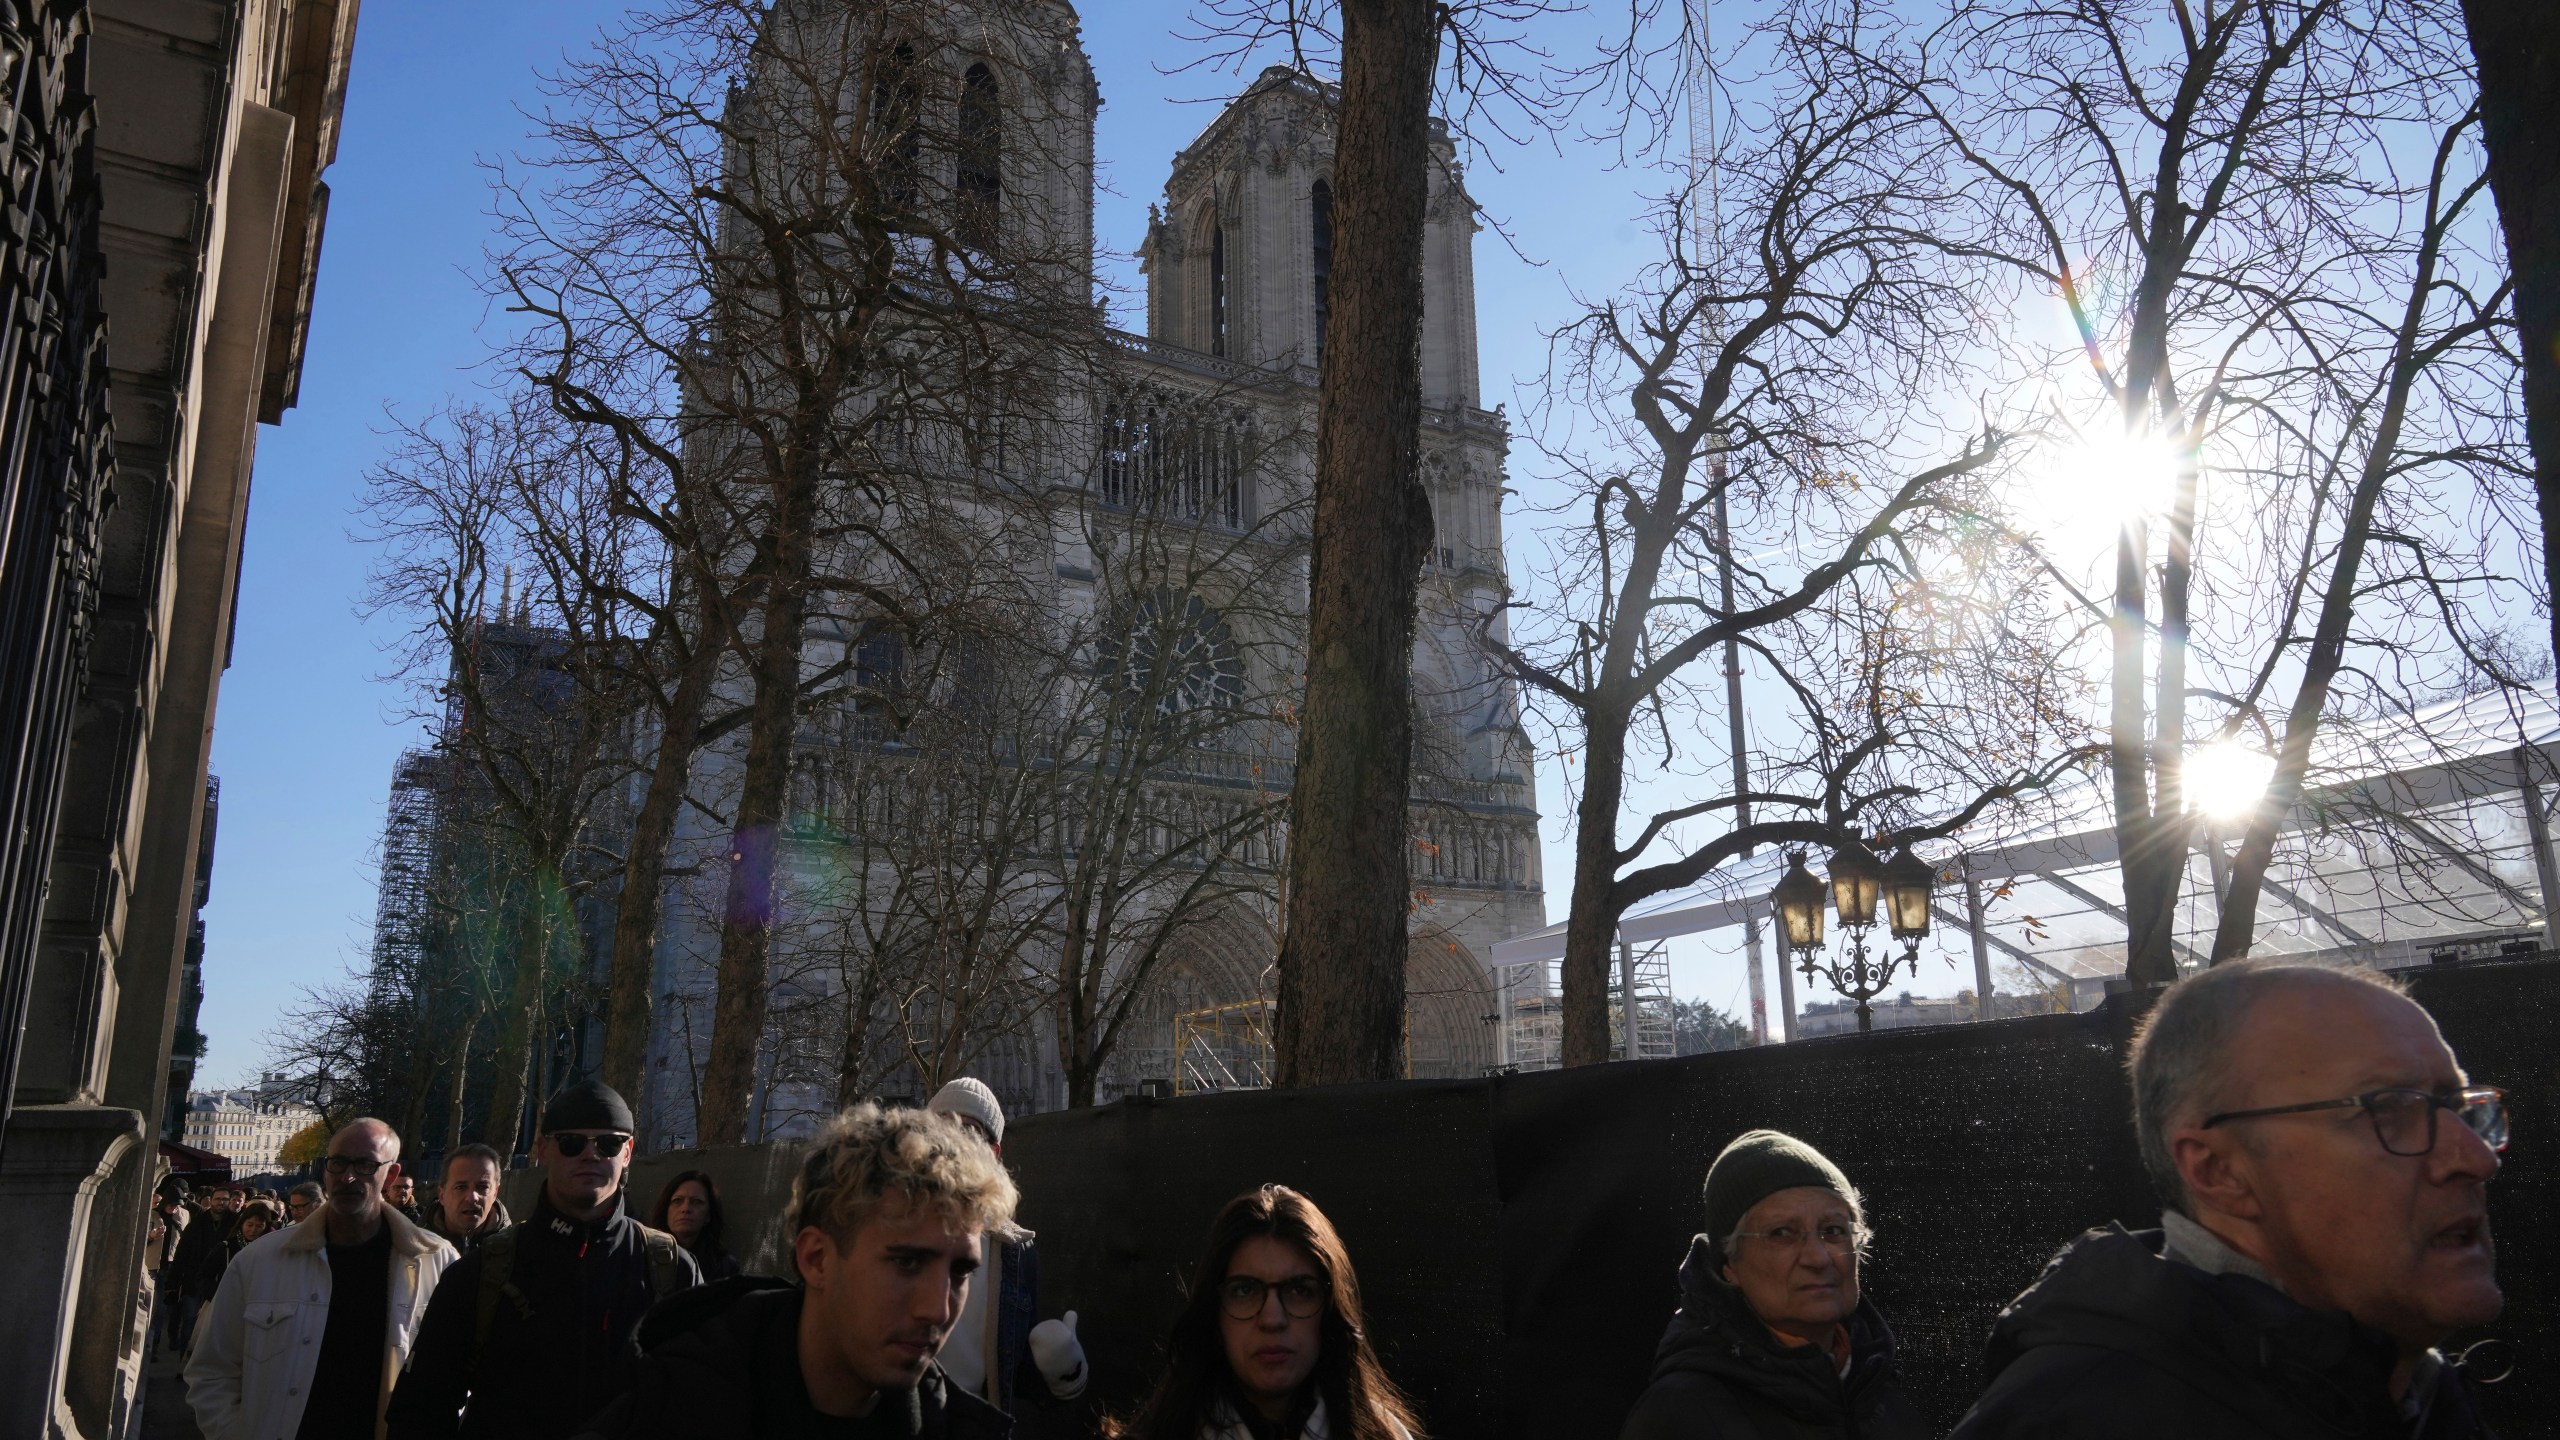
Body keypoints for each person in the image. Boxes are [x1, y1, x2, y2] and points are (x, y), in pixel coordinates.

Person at [1951, 962, 2504, 1438]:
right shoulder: (2077, 1421)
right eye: (2390, 1108)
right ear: (2219, 1171)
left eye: (2459, 1107)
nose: (2477, 1157)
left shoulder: (2408, 1391)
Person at [570, 1103, 1018, 1440]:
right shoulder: (664, 1410)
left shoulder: (967, 1428)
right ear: (816, 1258)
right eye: (906, 1262)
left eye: (960, 1272)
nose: (937, 1308)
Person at [389, 1077, 700, 1439]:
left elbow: (698, 1404)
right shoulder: (480, 1273)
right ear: (543, 1149)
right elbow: (421, 1410)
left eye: (608, 1143)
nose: (591, 1154)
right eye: (571, 1143)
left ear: (628, 1151)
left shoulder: (671, 1268)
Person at [1618, 1130, 1925, 1440]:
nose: (1818, 1258)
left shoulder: (1880, 1393)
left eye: (1833, 1230)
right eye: (1781, 1233)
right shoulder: (1682, 1414)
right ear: (1729, 1265)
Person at [184, 1118, 457, 1440]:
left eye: (365, 1164)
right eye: (338, 1162)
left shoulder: (436, 1262)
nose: (348, 1176)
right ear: (325, 1169)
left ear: (391, 1175)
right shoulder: (259, 1261)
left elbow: (455, 1381)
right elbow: (211, 1371)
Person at [1107, 1184, 1424, 1440]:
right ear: (1214, 1313)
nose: (1272, 1319)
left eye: (1300, 1290)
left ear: (1329, 1309)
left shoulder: (1387, 1435)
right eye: (1245, 1290)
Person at [926, 1077, 1087, 1413]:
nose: (953, 1143)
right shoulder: (888, 1229)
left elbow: (1013, 1369)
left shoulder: (1015, 1253)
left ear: (994, 1153)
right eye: (939, 1129)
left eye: (968, 1131)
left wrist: (1063, 1371)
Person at [651, 1169, 743, 1281]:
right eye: (677, 1201)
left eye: (697, 1202)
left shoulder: (724, 1267)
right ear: (666, 1210)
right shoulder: (644, 1257)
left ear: (708, 1215)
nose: (686, 1208)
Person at [427, 1142, 512, 1253]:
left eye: (482, 1187)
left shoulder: (515, 1251)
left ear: (495, 1193)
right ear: (442, 1195)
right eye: (461, 1187)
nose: (472, 1197)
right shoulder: (413, 1251)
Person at [151, 1179, 193, 1360]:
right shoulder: (152, 1214)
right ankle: (151, 1347)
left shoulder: (184, 1214)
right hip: (153, 1266)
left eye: (178, 1205)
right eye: (172, 1205)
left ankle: (163, 1341)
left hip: (172, 1267)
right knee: (156, 1310)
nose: (175, 1208)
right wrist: (151, 1236)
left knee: (167, 1309)